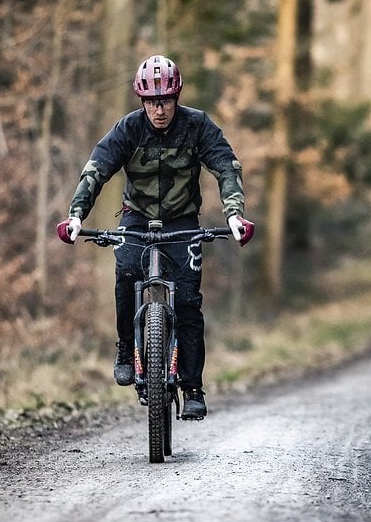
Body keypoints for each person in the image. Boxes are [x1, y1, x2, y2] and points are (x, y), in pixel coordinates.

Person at [56, 54, 254, 420]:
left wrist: (234, 214)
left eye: (165, 101)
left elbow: (226, 166)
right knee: (126, 272)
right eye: (151, 102)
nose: (159, 110)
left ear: (177, 98)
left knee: (190, 302)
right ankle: (124, 349)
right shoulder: (128, 129)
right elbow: (96, 170)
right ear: (142, 101)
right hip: (137, 217)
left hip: (182, 221)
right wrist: (76, 215)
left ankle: (193, 388)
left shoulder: (197, 126)